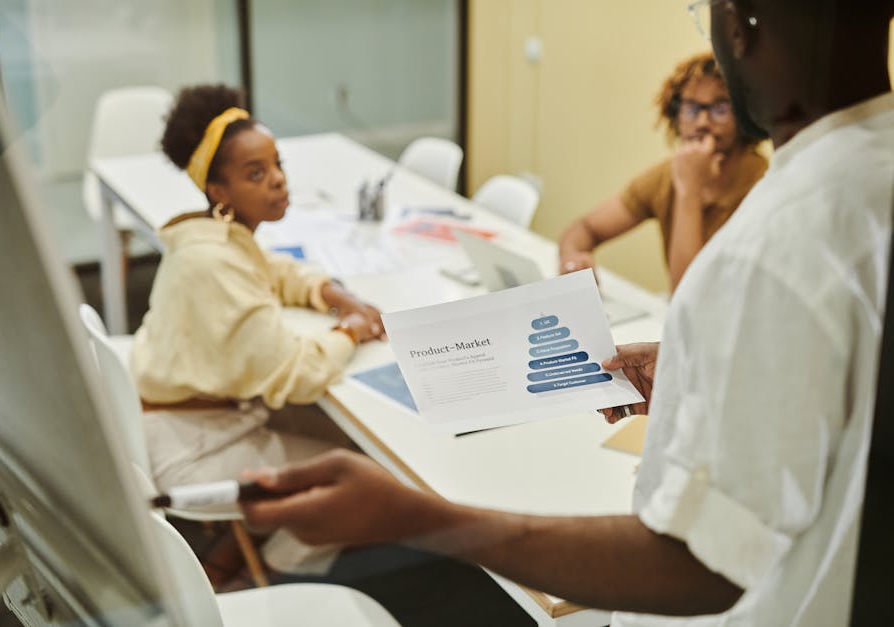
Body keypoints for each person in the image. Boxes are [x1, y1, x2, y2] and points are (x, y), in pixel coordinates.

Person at [240, 0, 894, 624]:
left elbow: (700, 562)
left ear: (740, 27)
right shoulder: (873, 177)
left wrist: (411, 517)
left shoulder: (770, 244)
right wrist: (696, 366)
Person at [130, 84, 385, 493]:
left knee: (342, 438)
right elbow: (299, 372)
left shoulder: (210, 234)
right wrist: (351, 330)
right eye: (256, 173)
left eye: (277, 164)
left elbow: (271, 269)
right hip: (190, 444)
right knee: (355, 479)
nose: (279, 181)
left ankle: (240, 551)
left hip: (187, 412)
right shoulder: (213, 263)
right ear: (219, 192)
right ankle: (236, 560)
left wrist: (334, 294)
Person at [559, 51, 768, 291]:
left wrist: (689, 191)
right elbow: (584, 229)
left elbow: (690, 295)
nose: (701, 122)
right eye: (691, 108)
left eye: (720, 108)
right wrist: (572, 258)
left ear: (743, 115)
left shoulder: (761, 185)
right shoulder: (668, 175)